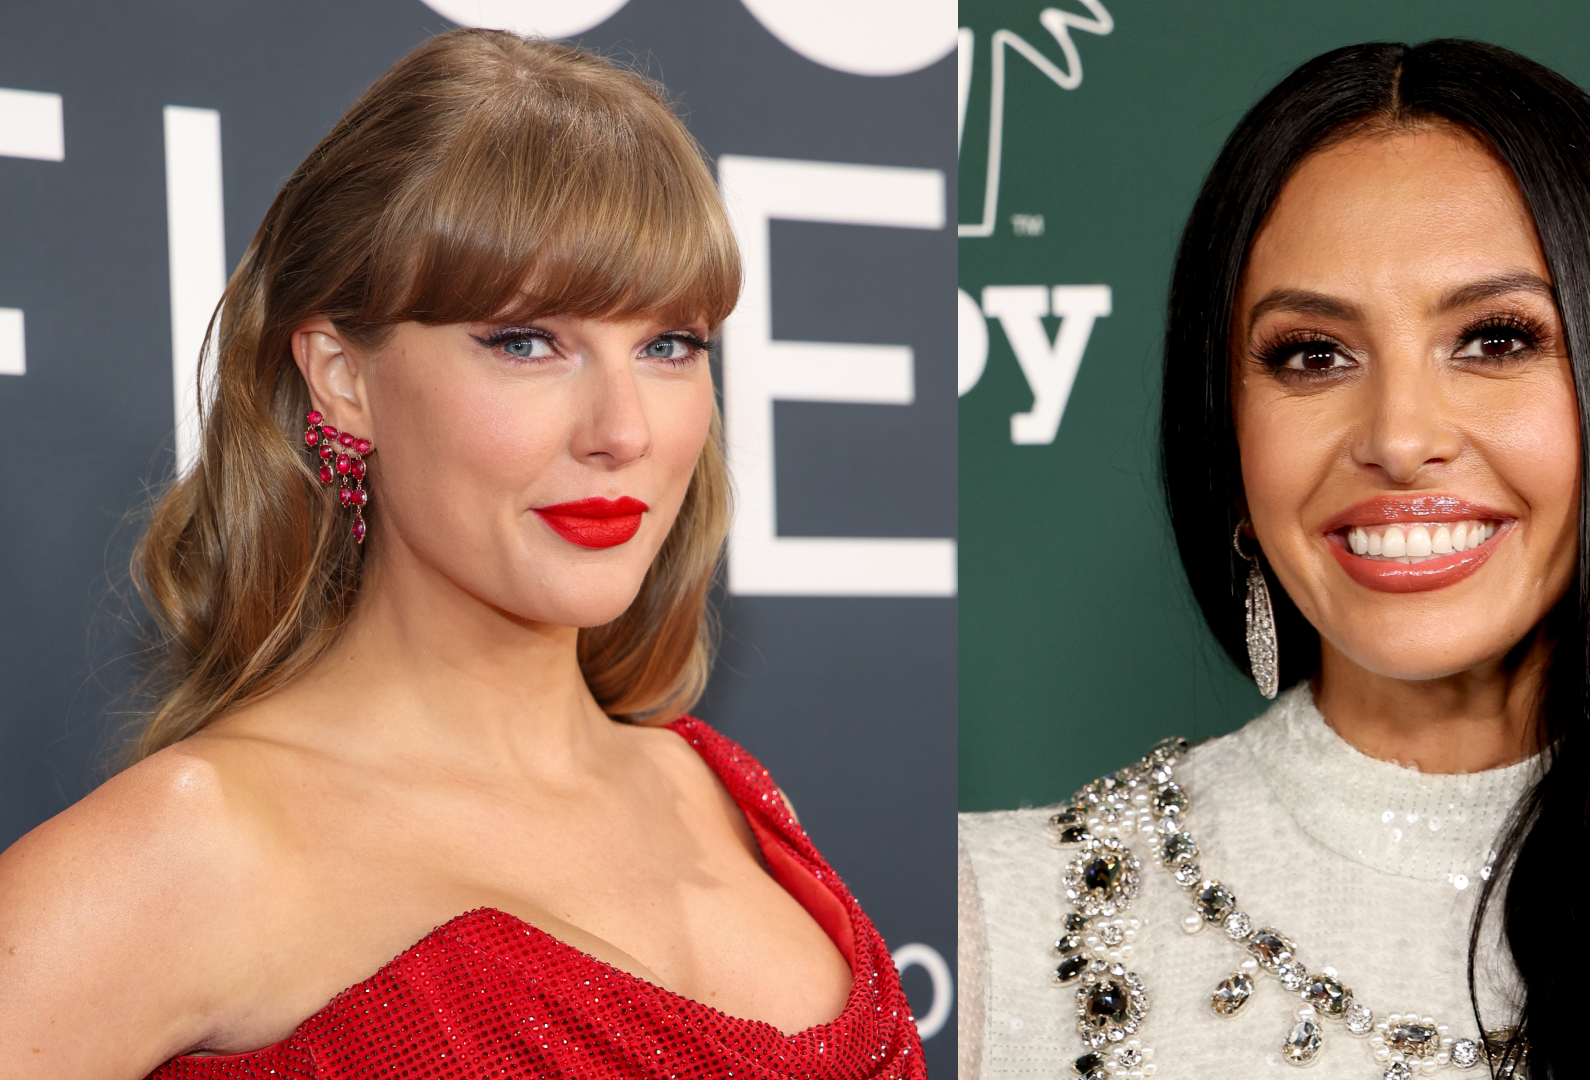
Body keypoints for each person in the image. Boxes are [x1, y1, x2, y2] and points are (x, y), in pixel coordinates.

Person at [958, 39, 1590, 1080]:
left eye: (1496, 339)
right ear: (1228, 444)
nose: (1399, 434)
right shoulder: (995, 917)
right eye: (1312, 356)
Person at [0, 29, 924, 1080]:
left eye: (670, 346)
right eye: (527, 341)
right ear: (343, 379)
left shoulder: (730, 795)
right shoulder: (188, 849)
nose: (621, 428)